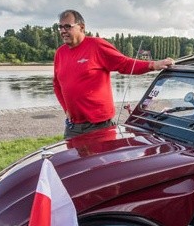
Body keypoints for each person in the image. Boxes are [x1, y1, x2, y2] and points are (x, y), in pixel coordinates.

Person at [53, 9, 174, 139]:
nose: (63, 31)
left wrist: (153, 65)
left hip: (99, 126)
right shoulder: (60, 53)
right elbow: (57, 85)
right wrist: (66, 109)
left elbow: (125, 64)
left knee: (105, 154)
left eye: (67, 26)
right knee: (70, 153)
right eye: (60, 27)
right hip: (73, 127)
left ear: (82, 27)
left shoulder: (97, 45)